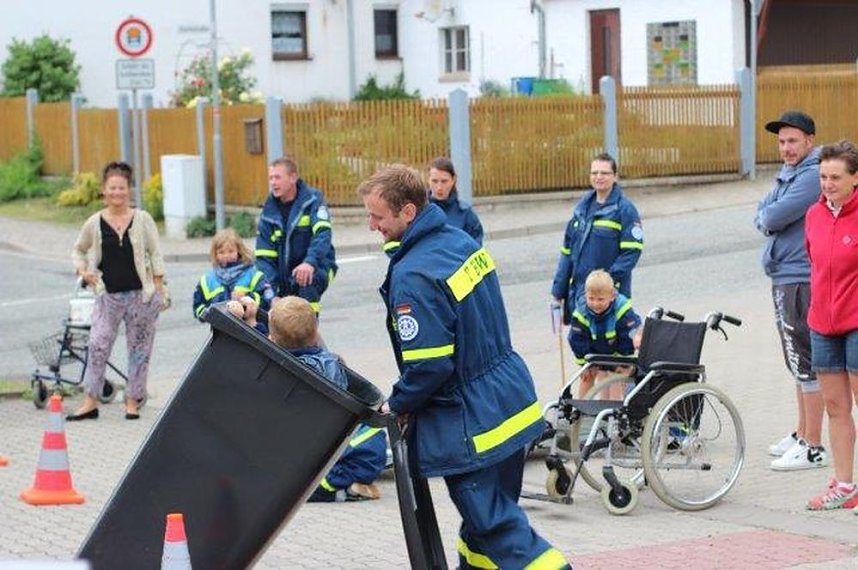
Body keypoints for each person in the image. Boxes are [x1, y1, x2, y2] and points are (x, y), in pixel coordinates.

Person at [358, 165, 570, 569]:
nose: (371, 225)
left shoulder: (414, 274)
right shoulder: (459, 242)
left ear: (407, 212)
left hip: (473, 425)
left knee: (495, 527)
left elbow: (429, 365)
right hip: (510, 405)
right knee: (480, 530)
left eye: (377, 216)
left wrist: (399, 403)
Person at [226, 296, 387, 502]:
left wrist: (247, 322)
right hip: (326, 444)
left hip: (294, 449)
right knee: (371, 440)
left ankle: (326, 487)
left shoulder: (277, 370)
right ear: (316, 333)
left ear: (272, 338)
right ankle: (335, 486)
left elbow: (263, 353)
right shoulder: (329, 363)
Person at [755, 110, 827, 472]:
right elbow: (763, 211)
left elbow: (769, 217)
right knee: (796, 361)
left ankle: (813, 446)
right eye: (782, 141)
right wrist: (767, 214)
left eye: (793, 140)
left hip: (800, 277)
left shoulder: (812, 175)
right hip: (784, 275)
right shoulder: (789, 174)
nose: (786, 147)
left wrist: (768, 215)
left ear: (809, 141)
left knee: (806, 360)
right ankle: (802, 433)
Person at [67, 161, 167, 421]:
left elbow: (155, 253)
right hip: (108, 296)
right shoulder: (95, 222)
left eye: (121, 188)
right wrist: (83, 271)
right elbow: (78, 249)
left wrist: (158, 289)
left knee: (139, 350)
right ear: (104, 190)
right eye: (112, 188)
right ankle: (90, 400)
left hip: (141, 296)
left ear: (129, 190)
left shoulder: (142, 219)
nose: (116, 193)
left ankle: (132, 401)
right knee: (98, 344)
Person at [804, 140, 858, 510]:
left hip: (856, 322)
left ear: (855, 178)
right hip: (822, 323)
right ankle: (844, 485)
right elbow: (815, 264)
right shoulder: (813, 215)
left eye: (835, 177)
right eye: (823, 177)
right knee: (836, 407)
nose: (828, 184)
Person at [551, 152, 643, 324]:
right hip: (581, 296)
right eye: (594, 173)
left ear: (615, 176)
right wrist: (558, 291)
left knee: (611, 346)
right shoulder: (581, 209)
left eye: (605, 173)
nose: (599, 177)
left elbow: (632, 252)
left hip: (609, 299)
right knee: (581, 345)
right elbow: (567, 253)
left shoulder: (625, 210)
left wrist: (606, 283)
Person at [255, 157, 337, 313]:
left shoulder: (312, 200)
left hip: (316, 266)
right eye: (271, 178)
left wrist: (309, 262)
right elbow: (264, 258)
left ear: (293, 177)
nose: (273, 182)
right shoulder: (268, 212)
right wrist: (271, 294)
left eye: (277, 177)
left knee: (306, 285)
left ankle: (308, 332)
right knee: (261, 298)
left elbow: (323, 235)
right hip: (283, 275)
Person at [568, 269, 641, 398]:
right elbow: (577, 340)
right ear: (585, 295)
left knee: (618, 375)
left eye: (600, 299)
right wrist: (584, 364)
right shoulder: (581, 313)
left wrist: (622, 361)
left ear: (612, 296)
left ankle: (615, 410)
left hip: (617, 350)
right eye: (591, 298)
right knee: (587, 375)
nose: (595, 304)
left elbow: (627, 335)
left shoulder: (622, 309)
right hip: (594, 351)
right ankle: (581, 411)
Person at [192, 228, 272, 322]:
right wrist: (209, 315)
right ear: (215, 254)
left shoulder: (253, 275)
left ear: (239, 251)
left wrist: (247, 297)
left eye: (231, 251)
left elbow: (267, 299)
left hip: (249, 329)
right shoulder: (207, 280)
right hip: (220, 331)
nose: (226, 256)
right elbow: (197, 306)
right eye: (221, 252)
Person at [428, 156, 484, 244]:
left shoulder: (465, 213)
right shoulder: (419, 211)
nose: (439, 187)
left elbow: (475, 248)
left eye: (444, 181)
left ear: (453, 180)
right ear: (428, 180)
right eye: (434, 181)